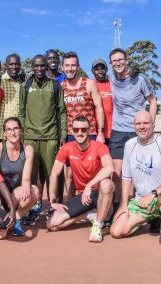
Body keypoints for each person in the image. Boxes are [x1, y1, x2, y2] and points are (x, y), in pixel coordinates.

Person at [110, 111, 161, 245]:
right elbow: (126, 178)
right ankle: (152, 218)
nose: (142, 126)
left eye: (145, 123)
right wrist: (123, 205)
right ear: (134, 126)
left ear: (153, 124)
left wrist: (152, 194)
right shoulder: (129, 145)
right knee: (116, 232)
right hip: (141, 201)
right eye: (138, 123)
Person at [46, 116, 114, 242]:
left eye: (83, 129)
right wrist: (53, 201)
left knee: (107, 184)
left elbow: (110, 168)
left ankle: (98, 225)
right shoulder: (67, 147)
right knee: (52, 224)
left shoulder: (99, 147)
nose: (80, 133)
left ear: (89, 130)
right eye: (76, 130)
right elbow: (54, 174)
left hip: (99, 193)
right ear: (72, 131)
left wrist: (89, 185)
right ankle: (90, 215)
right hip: (84, 197)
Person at [108, 48, 157, 219]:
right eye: (114, 61)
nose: (118, 63)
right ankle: (116, 209)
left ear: (127, 60)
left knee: (141, 171)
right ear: (111, 64)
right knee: (117, 172)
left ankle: (144, 208)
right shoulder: (111, 77)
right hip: (118, 130)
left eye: (120, 59)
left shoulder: (140, 78)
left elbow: (152, 101)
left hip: (138, 130)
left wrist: (150, 123)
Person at [19, 54, 67, 225]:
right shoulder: (25, 86)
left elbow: (61, 111)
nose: (39, 69)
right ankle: (31, 209)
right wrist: (23, 134)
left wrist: (62, 135)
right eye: (36, 66)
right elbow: (22, 112)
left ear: (47, 67)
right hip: (30, 138)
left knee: (53, 175)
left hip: (51, 138)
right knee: (31, 177)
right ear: (32, 67)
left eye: (42, 66)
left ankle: (55, 207)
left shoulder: (54, 85)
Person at [61, 52, 105, 201]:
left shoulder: (89, 83)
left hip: (90, 132)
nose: (70, 68)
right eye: (67, 65)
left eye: (73, 65)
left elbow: (99, 107)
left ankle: (97, 204)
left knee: (93, 170)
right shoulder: (61, 86)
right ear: (63, 67)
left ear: (78, 66)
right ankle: (71, 204)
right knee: (69, 174)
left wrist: (100, 132)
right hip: (71, 134)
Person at [0, 117, 39, 236]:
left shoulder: (28, 149)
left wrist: (26, 184)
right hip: (0, 197)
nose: (13, 132)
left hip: (16, 195)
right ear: (5, 133)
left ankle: (16, 219)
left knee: (35, 190)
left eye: (16, 128)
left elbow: (26, 178)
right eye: (9, 129)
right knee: (1, 235)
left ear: (21, 131)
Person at [0, 54, 24, 141]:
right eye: (11, 64)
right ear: (6, 66)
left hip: (17, 132)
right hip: (1, 131)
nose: (14, 67)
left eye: (16, 64)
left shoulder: (22, 83)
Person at [91, 58, 113, 146]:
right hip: (95, 132)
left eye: (102, 68)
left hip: (112, 132)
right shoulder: (90, 84)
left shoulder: (112, 84)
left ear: (106, 70)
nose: (100, 71)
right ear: (92, 71)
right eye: (97, 69)